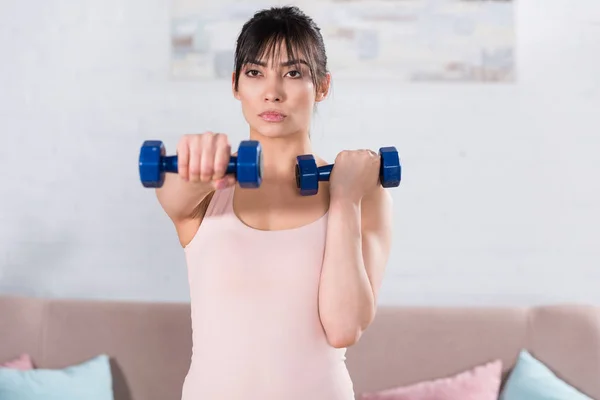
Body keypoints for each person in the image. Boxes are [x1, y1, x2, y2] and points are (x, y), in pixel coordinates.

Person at [155, 5, 393, 400]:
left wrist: (346, 199)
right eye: (255, 72)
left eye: (294, 73)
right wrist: (198, 161)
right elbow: (176, 192)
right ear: (235, 84)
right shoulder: (201, 186)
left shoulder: (365, 191)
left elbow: (343, 327)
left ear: (322, 86)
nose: (272, 91)